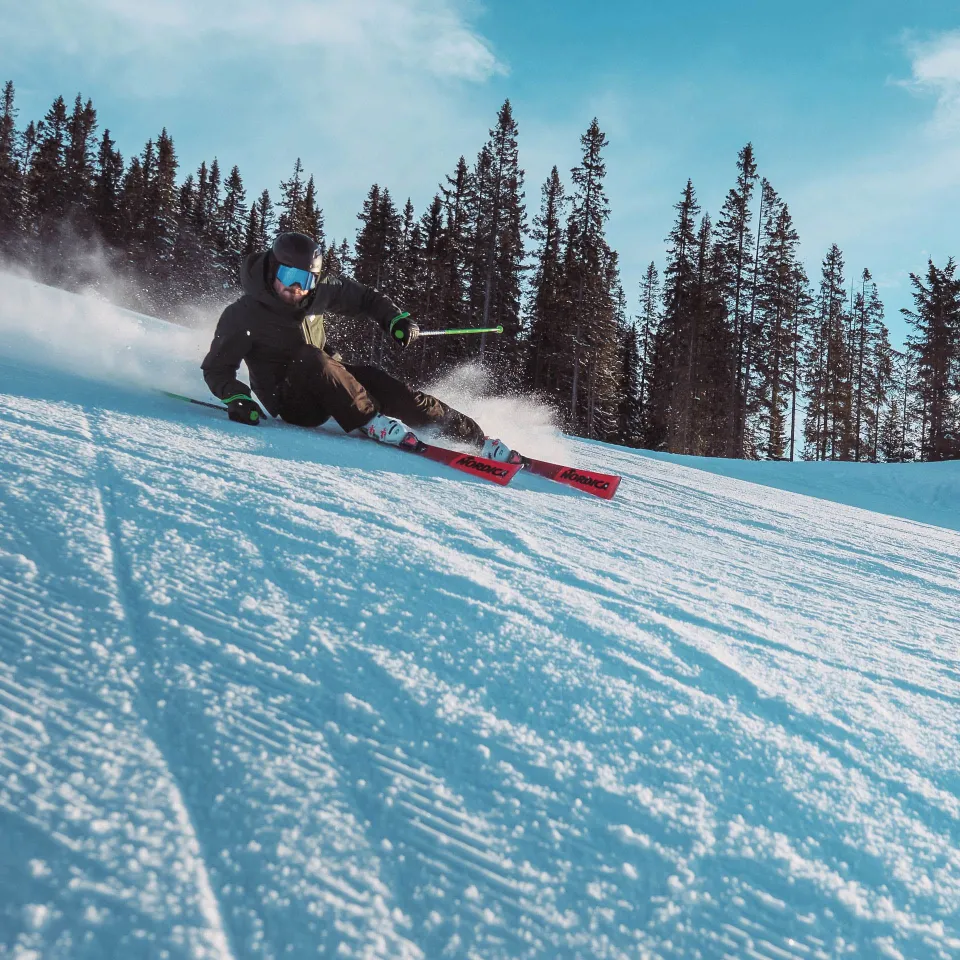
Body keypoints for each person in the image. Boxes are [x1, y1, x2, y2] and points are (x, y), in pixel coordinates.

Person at [201, 232, 518, 462]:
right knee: (310, 357)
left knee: (380, 382)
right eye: (289, 276)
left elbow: (366, 298)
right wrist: (238, 397)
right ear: (273, 269)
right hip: (292, 402)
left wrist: (395, 320)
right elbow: (217, 369)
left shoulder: (319, 292)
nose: (297, 289)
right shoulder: (243, 314)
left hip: (330, 382)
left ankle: (474, 439)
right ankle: (371, 422)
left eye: (306, 279)